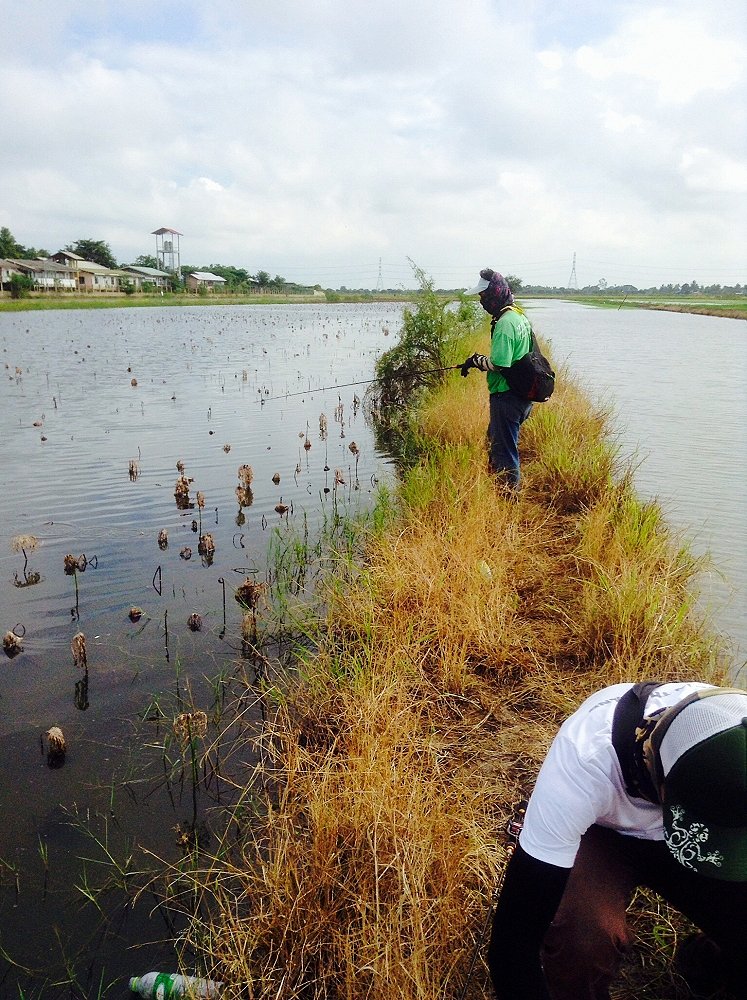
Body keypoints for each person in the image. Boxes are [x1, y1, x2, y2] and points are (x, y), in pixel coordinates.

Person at [488, 681, 747, 999]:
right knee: (585, 938)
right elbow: (512, 950)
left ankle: (711, 966)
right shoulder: (582, 765)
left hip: (713, 823)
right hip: (599, 836)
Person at [461, 268, 533, 489]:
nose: (482, 301)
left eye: (484, 295)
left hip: (507, 396)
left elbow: (501, 363)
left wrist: (476, 361)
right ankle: (497, 487)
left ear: (496, 293)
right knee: (496, 441)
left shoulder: (504, 324)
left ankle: (509, 498)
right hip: (522, 395)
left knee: (504, 451)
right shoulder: (518, 315)